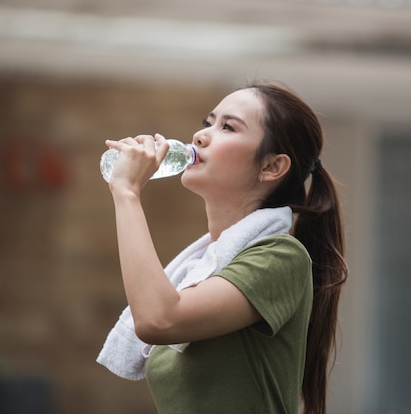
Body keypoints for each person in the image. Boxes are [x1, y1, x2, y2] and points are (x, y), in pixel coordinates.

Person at [97, 82, 348, 414]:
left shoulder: (281, 258)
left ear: (272, 167)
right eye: (208, 123)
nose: (201, 137)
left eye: (228, 127)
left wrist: (127, 193)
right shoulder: (198, 271)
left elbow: (159, 320)